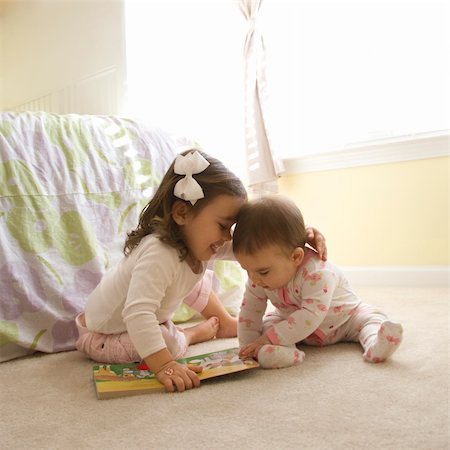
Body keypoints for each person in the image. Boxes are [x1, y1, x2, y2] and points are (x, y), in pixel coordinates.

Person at [76, 149, 326, 392]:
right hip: (103, 334)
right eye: (222, 226)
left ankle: (216, 325)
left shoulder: (198, 242)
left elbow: (256, 249)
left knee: (195, 280)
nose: (227, 237)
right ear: (182, 213)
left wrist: (296, 238)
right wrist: (165, 366)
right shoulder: (159, 253)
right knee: (166, 345)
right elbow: (138, 314)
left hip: (152, 318)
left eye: (231, 228)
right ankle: (191, 335)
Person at [233, 195, 403, 369]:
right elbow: (249, 313)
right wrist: (248, 347)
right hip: (295, 326)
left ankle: (378, 344)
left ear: (296, 257)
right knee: (270, 323)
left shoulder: (318, 273)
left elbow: (310, 315)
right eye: (246, 269)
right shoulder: (257, 276)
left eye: (263, 271)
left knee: (370, 318)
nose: (253, 278)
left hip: (344, 320)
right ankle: (284, 354)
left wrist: (268, 338)